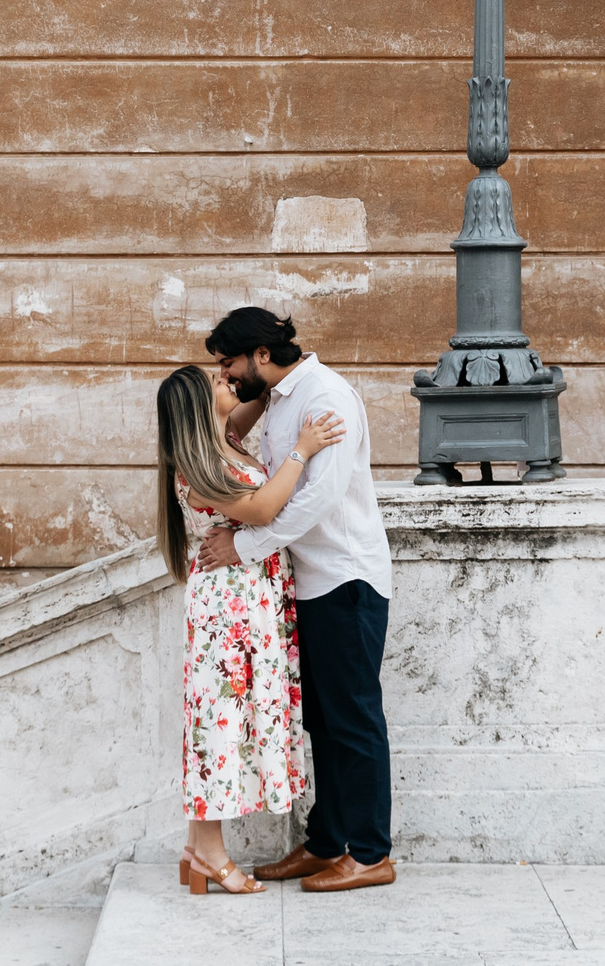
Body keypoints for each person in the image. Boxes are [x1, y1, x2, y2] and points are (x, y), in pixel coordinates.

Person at [196, 307, 398, 892]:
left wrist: (248, 544)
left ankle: (369, 852)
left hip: (346, 578)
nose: (228, 376)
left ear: (261, 354)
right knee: (324, 722)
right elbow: (228, 442)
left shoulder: (326, 395)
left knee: (354, 719)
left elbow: (320, 498)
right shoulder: (282, 397)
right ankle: (327, 842)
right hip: (307, 581)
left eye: (229, 362)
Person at [154, 361, 346, 896]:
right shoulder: (200, 465)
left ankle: (197, 849)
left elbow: (254, 397)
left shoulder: (227, 442)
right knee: (221, 722)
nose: (227, 383)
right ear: (198, 406)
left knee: (224, 719)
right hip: (229, 605)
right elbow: (262, 508)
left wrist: (272, 366)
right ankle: (212, 854)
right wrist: (302, 449)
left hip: (248, 601)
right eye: (217, 383)